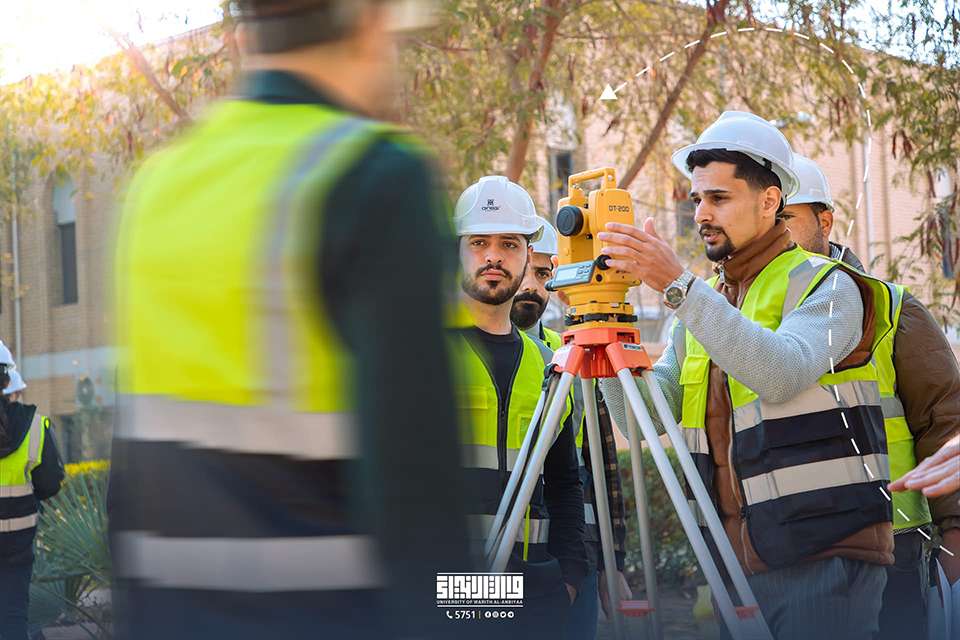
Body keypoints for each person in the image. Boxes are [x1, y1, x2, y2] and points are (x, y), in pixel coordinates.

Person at [108, 2, 472, 639]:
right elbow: (420, 511)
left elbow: (128, 492)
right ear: (368, 19)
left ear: (247, 30)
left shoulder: (156, 186)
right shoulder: (378, 176)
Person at [597, 111, 895, 639]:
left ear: (769, 200)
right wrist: (604, 325)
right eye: (697, 199)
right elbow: (644, 418)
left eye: (719, 197)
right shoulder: (702, 304)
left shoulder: (830, 286)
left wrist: (678, 287)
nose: (701, 214)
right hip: (730, 564)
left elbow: (782, 373)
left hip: (822, 555)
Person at [780, 153, 960, 639]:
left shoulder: (892, 307)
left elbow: (946, 421)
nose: (776, 232)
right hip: (784, 547)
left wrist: (956, 535)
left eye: (787, 217)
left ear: (825, 222)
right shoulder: (742, 319)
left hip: (891, 543)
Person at [453, 175, 587, 639]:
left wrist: (568, 577)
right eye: (479, 242)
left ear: (529, 255)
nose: (493, 256)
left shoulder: (548, 364)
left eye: (509, 244)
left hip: (536, 589)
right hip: (446, 588)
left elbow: (567, 482)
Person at [509, 221, 632, 639]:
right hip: (498, 556)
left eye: (544, 274)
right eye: (526, 270)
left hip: (575, 559)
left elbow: (600, 465)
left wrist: (611, 562)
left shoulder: (573, 354)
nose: (532, 286)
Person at [0, 343, 65, 640]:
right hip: (16, 547)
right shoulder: (37, 426)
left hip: (17, 548)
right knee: (14, 620)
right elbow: (50, 483)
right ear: (7, 381)